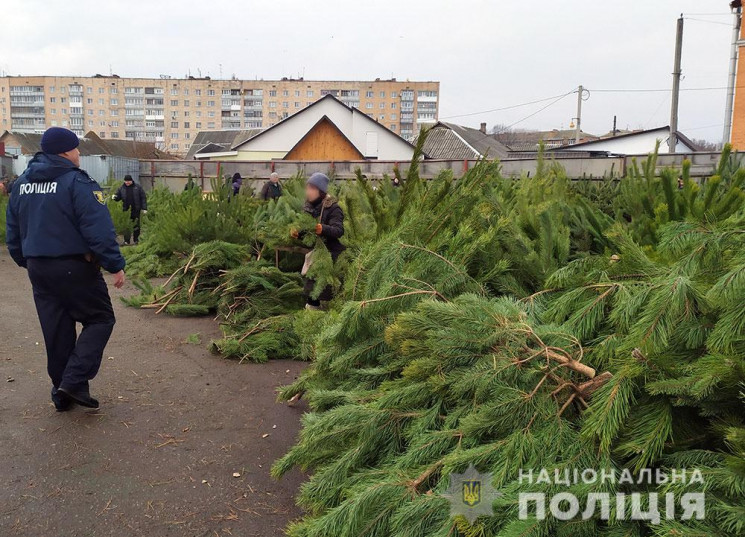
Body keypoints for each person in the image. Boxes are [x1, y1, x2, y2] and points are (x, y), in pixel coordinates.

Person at [5, 127, 126, 411]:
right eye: (76, 149)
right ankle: (72, 381)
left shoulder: (22, 184)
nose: (79, 154)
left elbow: (13, 230)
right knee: (100, 318)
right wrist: (114, 265)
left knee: (56, 330)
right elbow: (97, 228)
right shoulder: (76, 182)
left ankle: (62, 394)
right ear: (63, 152)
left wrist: (27, 260)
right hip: (74, 266)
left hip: (38, 268)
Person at [291, 172, 345, 310]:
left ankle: (326, 319)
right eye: (307, 187)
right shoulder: (309, 208)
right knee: (312, 291)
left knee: (326, 293)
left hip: (331, 256)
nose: (307, 191)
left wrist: (323, 228)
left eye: (311, 188)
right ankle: (311, 318)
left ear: (321, 191)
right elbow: (309, 235)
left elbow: (338, 230)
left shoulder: (333, 208)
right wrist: (298, 234)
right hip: (317, 256)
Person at [111, 174, 147, 245]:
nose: (127, 182)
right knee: (127, 226)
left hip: (136, 209)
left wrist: (144, 208)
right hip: (126, 211)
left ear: (131, 180)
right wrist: (114, 197)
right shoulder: (121, 188)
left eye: (128, 181)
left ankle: (136, 239)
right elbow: (118, 197)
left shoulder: (137, 187)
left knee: (136, 225)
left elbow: (143, 198)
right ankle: (127, 241)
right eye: (126, 181)